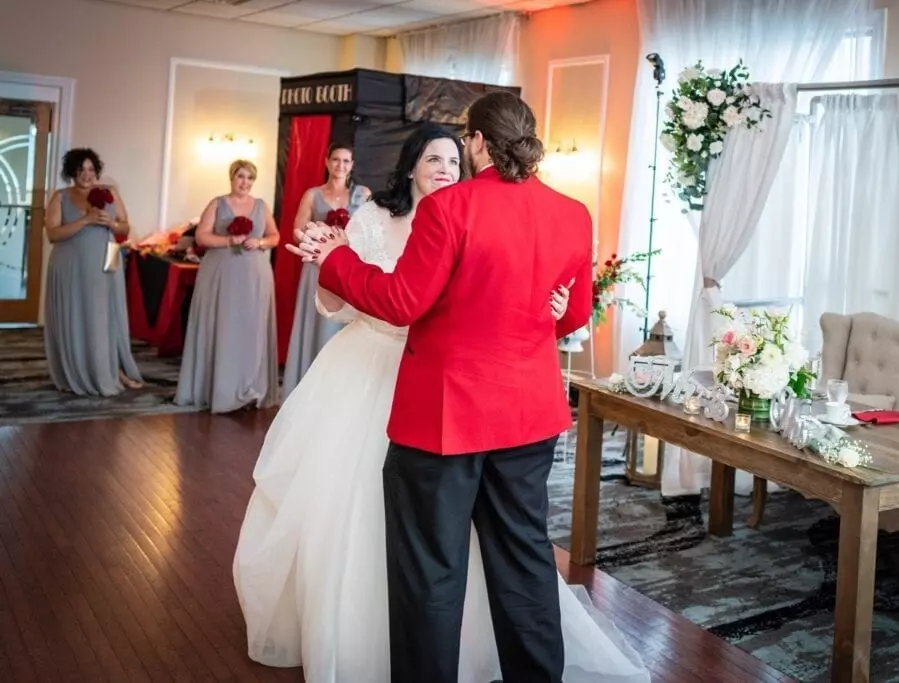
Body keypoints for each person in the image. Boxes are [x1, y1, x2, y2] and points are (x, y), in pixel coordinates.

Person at [238, 123, 648, 683]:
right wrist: (330, 261)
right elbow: (336, 303)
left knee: (435, 563)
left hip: (446, 405)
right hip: (416, 389)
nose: (444, 168)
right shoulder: (383, 218)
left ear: (475, 152)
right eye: (432, 157)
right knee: (495, 550)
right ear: (410, 165)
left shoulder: (460, 210)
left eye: (453, 158)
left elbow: (408, 299)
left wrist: (336, 258)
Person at [174, 159, 280, 413]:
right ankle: (220, 389)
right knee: (222, 326)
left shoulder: (261, 206)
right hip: (221, 273)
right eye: (241, 177)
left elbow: (275, 236)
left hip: (254, 274)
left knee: (250, 329)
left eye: (249, 178)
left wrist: (261, 242)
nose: (245, 182)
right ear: (232, 177)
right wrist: (229, 239)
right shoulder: (217, 203)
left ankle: (250, 388)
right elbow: (201, 236)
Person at [43, 147, 144, 396]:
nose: (86, 174)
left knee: (103, 317)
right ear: (71, 172)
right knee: (76, 315)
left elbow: (124, 228)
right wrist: (85, 220)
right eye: (81, 169)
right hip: (70, 266)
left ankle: (109, 370)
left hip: (104, 264)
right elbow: (53, 234)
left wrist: (111, 223)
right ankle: (76, 371)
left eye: (90, 169)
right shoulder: (61, 196)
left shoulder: (109, 194)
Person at [281, 143, 371, 398]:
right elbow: (298, 233)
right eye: (335, 160)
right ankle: (307, 389)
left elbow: (369, 234)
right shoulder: (312, 194)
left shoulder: (362, 194)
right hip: (316, 269)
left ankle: (339, 392)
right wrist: (319, 234)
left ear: (352, 165)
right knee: (316, 324)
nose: (340, 165)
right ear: (326, 162)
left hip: (348, 268)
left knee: (341, 327)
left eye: (346, 161)